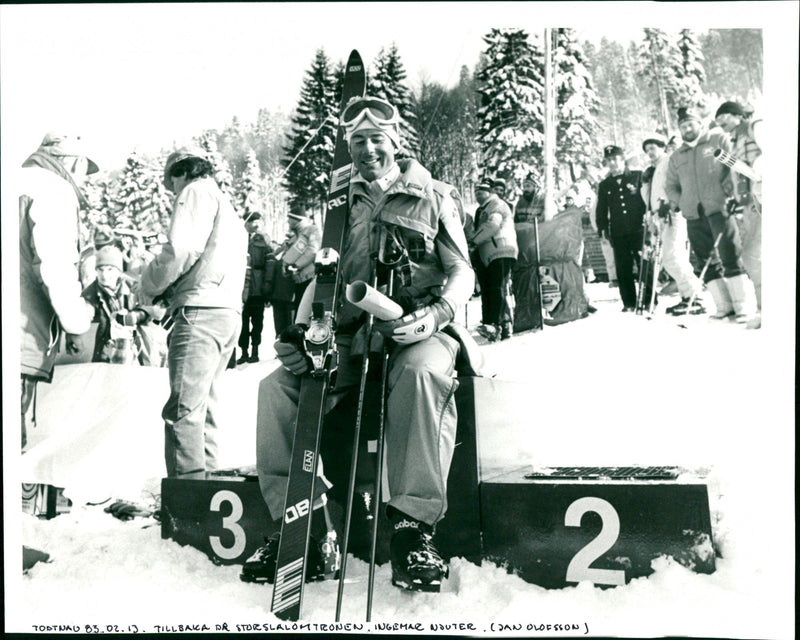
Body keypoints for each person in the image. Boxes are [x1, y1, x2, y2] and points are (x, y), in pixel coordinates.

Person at [242, 95, 474, 593]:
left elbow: (462, 270)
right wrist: (303, 333)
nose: (368, 150)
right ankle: (303, 525)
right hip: (350, 335)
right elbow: (317, 280)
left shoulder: (434, 195)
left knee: (421, 375)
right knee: (277, 389)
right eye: (358, 142)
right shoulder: (337, 206)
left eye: (377, 141)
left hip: (416, 330)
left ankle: (413, 530)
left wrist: (439, 314)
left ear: (395, 143)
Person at [139, 146, 247, 477]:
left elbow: (182, 249)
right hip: (227, 312)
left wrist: (149, 283)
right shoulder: (224, 203)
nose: (172, 193)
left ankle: (189, 504)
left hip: (200, 312)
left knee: (184, 410)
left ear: (179, 173)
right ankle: (208, 486)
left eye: (170, 184)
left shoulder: (194, 191)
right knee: (204, 407)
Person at [19, 132, 98, 449]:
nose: (85, 181)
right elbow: (55, 267)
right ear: (75, 162)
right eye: (86, 171)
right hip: (20, 334)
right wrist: (77, 325)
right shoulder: (52, 189)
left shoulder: (13, 180)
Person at [665, 107, 758, 322]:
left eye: (691, 124)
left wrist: (728, 192)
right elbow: (671, 185)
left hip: (719, 209)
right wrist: (681, 202)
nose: (687, 129)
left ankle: (743, 306)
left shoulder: (718, 141)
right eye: (683, 126)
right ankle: (723, 306)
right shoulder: (677, 156)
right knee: (705, 260)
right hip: (693, 215)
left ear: (699, 124)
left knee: (730, 254)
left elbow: (732, 168)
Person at [640, 133, 705, 315]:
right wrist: (645, 183)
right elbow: (649, 199)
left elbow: (680, 184)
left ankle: (695, 296)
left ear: (662, 147)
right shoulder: (654, 169)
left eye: (653, 148)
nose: (650, 153)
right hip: (659, 215)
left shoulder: (669, 161)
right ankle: (688, 297)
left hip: (672, 213)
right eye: (647, 150)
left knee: (672, 257)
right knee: (674, 258)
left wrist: (671, 204)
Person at [714, 100, 762, 328]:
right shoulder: (734, 141)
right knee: (753, 256)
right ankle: (766, 309)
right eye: (717, 120)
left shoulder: (755, 128)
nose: (720, 123)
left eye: (723, 117)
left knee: (753, 255)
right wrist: (736, 197)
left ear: (737, 115)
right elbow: (743, 172)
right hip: (751, 203)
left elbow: (764, 164)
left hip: (764, 199)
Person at [595, 145, 652, 311]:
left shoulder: (637, 176)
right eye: (609, 160)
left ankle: (648, 301)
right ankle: (629, 303)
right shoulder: (605, 185)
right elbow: (601, 210)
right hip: (619, 233)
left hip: (639, 229)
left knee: (644, 265)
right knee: (623, 268)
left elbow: (646, 201)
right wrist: (603, 230)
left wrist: (649, 220)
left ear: (622, 159)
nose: (612, 163)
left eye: (615, 159)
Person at [468, 179, 518, 340]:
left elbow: (492, 226)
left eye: (481, 192)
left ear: (489, 193)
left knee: (498, 289)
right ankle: (489, 323)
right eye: (476, 193)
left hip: (500, 249)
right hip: (487, 253)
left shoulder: (497, 204)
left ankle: (501, 324)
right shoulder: (481, 209)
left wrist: (473, 241)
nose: (478, 196)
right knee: (489, 290)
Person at [80, 245, 141, 363]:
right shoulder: (90, 292)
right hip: (106, 345)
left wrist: (137, 316)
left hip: (134, 343)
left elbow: (152, 307)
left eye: (110, 269)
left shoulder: (132, 285)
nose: (104, 275)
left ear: (119, 271)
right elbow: (86, 309)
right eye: (100, 269)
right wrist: (86, 313)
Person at [237, 212, 274, 364]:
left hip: (258, 287)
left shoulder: (264, 240)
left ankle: (255, 351)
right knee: (242, 322)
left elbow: (270, 264)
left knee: (257, 322)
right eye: (252, 221)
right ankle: (244, 352)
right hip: (241, 288)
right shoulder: (238, 238)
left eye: (257, 221)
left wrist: (268, 284)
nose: (255, 224)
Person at [281, 202, 321, 317]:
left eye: (290, 219)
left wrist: (296, 265)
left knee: (306, 313)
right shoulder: (295, 237)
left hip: (309, 279)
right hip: (297, 280)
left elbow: (313, 250)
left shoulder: (311, 230)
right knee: (298, 312)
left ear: (296, 219)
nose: (288, 222)